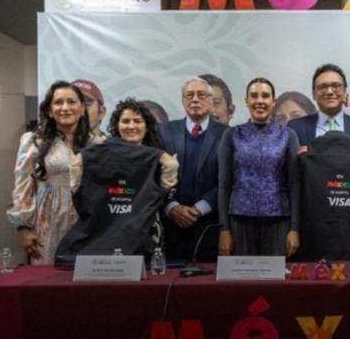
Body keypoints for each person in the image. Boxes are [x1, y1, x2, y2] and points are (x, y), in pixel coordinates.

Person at [56, 98, 178, 264]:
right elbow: (77, 186)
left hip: (144, 237)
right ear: (117, 125)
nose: (131, 126)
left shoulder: (159, 158)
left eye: (137, 121)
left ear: (147, 126)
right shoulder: (96, 155)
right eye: (125, 121)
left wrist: (168, 165)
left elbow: (165, 191)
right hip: (101, 237)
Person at [7, 81, 96, 264]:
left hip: (87, 223)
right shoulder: (33, 141)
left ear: (82, 109)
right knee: (49, 276)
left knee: (85, 275)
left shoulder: (96, 143)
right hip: (48, 221)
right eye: (58, 102)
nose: (65, 108)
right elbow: (22, 186)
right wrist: (23, 228)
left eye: (71, 102)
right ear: (49, 110)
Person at [217, 78, 300, 256]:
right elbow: (224, 185)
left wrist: (294, 228)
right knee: (242, 274)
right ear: (246, 101)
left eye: (265, 96)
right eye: (254, 96)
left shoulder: (288, 135)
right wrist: (224, 229)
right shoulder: (231, 134)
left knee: (276, 274)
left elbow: (295, 185)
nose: (259, 101)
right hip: (239, 221)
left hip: (279, 221)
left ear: (273, 101)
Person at [158, 77, 228, 262]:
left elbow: (229, 179)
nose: (195, 99)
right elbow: (153, 176)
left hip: (209, 227)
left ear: (211, 100)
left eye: (201, 95)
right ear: (183, 101)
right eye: (189, 95)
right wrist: (171, 207)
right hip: (170, 228)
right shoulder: (163, 132)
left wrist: (199, 208)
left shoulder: (227, 134)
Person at [288, 64, 350, 147]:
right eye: (323, 87)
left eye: (336, 86)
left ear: (345, 92)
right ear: (313, 94)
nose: (329, 92)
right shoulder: (295, 128)